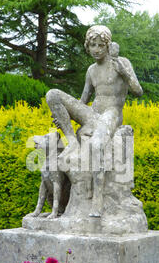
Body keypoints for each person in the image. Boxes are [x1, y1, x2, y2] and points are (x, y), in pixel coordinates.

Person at [46, 25, 143, 217]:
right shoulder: (91, 70)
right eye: (92, 45)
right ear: (87, 46)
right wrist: (65, 114)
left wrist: (125, 73)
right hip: (92, 113)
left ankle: (97, 198)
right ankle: (72, 141)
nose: (96, 49)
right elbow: (83, 100)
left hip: (111, 114)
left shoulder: (121, 63)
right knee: (52, 94)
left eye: (100, 45)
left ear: (108, 46)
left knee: (98, 143)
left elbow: (138, 91)